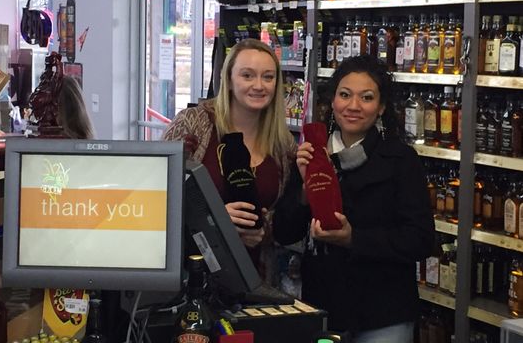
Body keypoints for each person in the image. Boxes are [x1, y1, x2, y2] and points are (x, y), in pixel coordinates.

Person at [273, 55, 434, 343]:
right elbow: (284, 232)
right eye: (345, 95)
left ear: (381, 107)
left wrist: (353, 239)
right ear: (332, 101)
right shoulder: (313, 155)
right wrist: (303, 193)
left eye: (367, 97)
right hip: (322, 307)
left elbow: (420, 239)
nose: (353, 106)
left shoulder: (401, 160)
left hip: (383, 313)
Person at [162, 38, 296, 281]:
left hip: (251, 278)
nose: (259, 85)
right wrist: (215, 221)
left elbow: (279, 219)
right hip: (189, 276)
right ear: (229, 80)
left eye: (268, 77)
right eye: (247, 75)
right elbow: (158, 194)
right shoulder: (194, 123)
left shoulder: (283, 144)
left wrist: (263, 231)